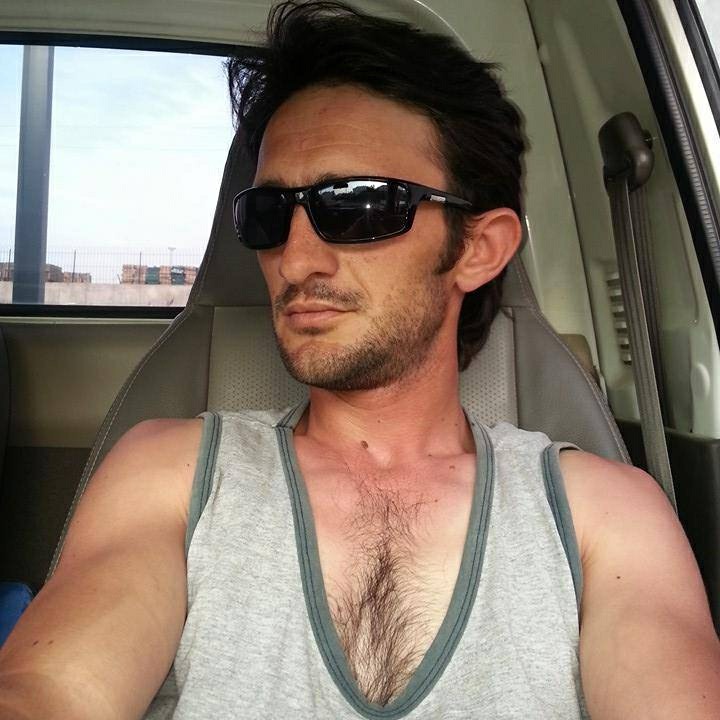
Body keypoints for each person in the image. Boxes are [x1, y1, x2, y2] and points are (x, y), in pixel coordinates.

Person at [1, 1, 720, 718]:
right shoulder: (170, 474)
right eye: (270, 215)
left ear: (478, 248)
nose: (296, 260)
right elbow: (49, 691)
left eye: (357, 206)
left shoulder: (606, 515)